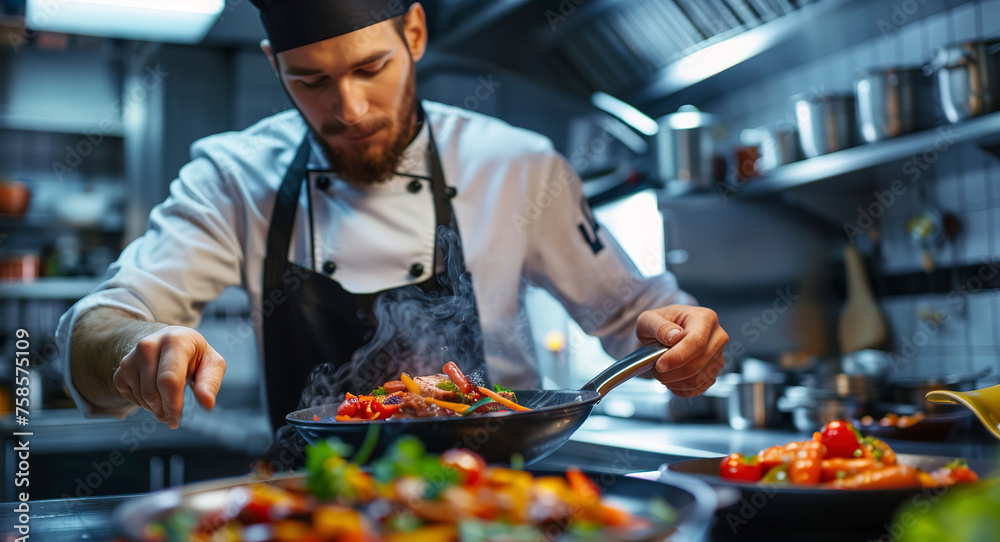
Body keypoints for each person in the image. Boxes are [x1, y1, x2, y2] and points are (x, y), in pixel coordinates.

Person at [55, 0, 729, 438]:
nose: (347, 109)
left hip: (502, 509)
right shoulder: (232, 176)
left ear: (414, 32)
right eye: (309, 80)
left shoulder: (517, 165)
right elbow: (98, 325)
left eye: (370, 67)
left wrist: (682, 337)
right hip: (313, 523)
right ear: (274, 65)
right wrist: (132, 349)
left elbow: (636, 314)